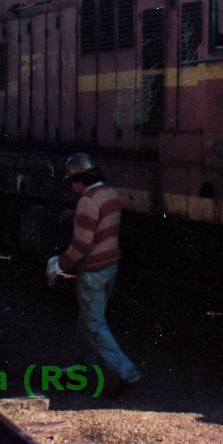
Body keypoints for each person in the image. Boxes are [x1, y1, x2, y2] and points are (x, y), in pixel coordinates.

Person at [46, 153, 141, 391]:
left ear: (80, 179)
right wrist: (74, 214)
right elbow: (99, 225)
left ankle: (127, 373)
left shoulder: (87, 201)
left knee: (94, 325)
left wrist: (59, 266)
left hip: (93, 272)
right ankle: (79, 369)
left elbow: (80, 247)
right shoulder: (109, 193)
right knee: (85, 322)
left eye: (72, 181)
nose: (72, 186)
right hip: (110, 267)